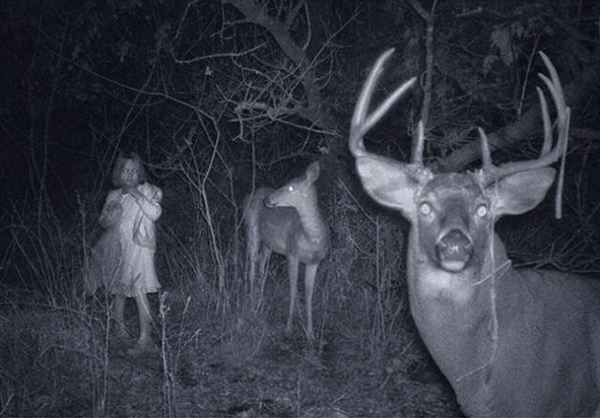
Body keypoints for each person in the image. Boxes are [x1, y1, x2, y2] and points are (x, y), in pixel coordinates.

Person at [87, 152, 163, 355]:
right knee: (118, 290)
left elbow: (155, 214)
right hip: (117, 247)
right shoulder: (114, 195)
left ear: (139, 173)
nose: (129, 175)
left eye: (133, 171)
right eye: (125, 170)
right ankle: (118, 332)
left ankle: (145, 339)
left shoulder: (147, 190)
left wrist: (137, 195)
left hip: (140, 248)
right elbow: (103, 222)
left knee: (139, 290)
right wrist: (110, 215)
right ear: (119, 173)